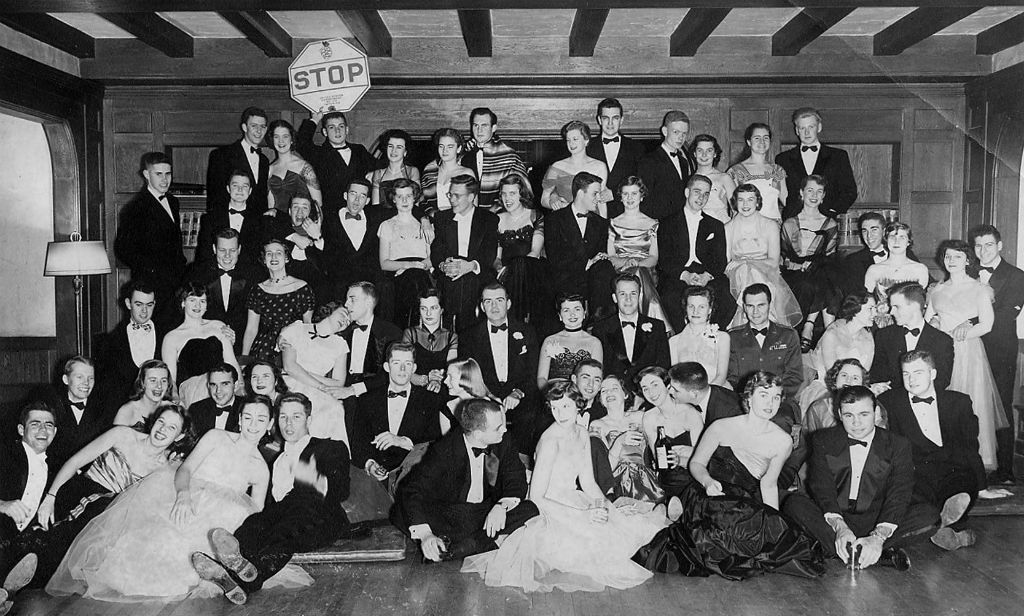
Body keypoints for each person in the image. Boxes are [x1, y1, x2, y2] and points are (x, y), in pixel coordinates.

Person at [47, 396, 298, 601]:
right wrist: (184, 495)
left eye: (261, 419)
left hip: (220, 518)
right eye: (248, 417)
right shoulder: (216, 437)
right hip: (186, 497)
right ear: (240, 419)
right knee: (158, 548)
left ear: (270, 424)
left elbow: (256, 513)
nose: (253, 424)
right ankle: (217, 571)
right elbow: (185, 469)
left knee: (235, 522)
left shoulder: (260, 469)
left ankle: (224, 568)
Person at [461, 384, 668, 592]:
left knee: (621, 525)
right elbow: (536, 497)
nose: (560, 414)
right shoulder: (550, 440)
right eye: (555, 408)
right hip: (550, 507)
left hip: (574, 497)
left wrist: (606, 506)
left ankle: (654, 549)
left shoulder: (582, 433)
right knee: (595, 547)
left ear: (578, 405)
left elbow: (588, 482)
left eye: (566, 406)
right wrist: (582, 515)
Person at [0, 404, 189, 610]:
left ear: (179, 436)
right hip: (78, 494)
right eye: (161, 421)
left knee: (60, 557)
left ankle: (8, 590)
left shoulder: (166, 468)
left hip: (106, 518)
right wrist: (51, 496)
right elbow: (75, 461)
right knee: (46, 537)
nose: (162, 429)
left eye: (171, 428)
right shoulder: (123, 435)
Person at [639, 371, 824, 580]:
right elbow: (697, 464)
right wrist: (707, 481)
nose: (770, 403)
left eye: (775, 397)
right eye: (763, 395)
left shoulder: (783, 441)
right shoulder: (720, 426)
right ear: (749, 398)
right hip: (710, 493)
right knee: (715, 534)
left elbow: (769, 485)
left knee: (783, 541)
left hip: (746, 499)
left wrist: (773, 522)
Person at [193, 393, 354, 605]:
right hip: (287, 518)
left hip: (323, 519)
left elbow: (340, 491)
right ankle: (231, 576)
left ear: (309, 420)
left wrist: (307, 475)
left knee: (286, 526)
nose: (288, 423)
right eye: (283, 417)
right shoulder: (276, 462)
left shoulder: (329, 448)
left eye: (296, 417)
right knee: (253, 524)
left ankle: (242, 579)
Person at [784, 386, 918, 570]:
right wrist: (840, 527)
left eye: (864, 414)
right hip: (836, 516)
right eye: (849, 415)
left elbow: (899, 493)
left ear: (875, 413)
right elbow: (822, 488)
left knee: (928, 515)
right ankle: (878, 556)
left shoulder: (898, 444)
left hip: (876, 517)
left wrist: (878, 536)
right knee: (794, 504)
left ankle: (845, 550)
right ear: (839, 414)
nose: (856, 422)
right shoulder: (823, 439)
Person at [395, 398, 538, 562]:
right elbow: (412, 490)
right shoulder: (443, 450)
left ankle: (453, 550)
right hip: (451, 513)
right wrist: (426, 535)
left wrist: (501, 506)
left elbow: (516, 479)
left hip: (484, 511)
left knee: (530, 509)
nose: (504, 429)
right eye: (498, 428)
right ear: (477, 434)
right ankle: (480, 543)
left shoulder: (504, 440)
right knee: (406, 513)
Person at [879, 351, 985, 552]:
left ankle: (942, 519)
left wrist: (982, 486)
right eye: (906, 374)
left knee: (964, 485)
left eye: (918, 373)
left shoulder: (959, 402)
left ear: (933, 374)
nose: (911, 380)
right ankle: (948, 528)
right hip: (916, 471)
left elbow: (970, 446)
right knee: (916, 496)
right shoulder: (889, 401)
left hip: (952, 468)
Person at [926, 239, 1007, 470]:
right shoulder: (937, 290)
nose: (951, 261)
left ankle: (975, 462)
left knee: (971, 403)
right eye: (948, 256)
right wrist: (934, 321)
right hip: (941, 352)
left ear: (968, 260)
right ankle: (949, 461)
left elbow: (987, 325)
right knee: (945, 405)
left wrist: (962, 333)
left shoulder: (979, 289)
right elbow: (927, 321)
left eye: (957, 256)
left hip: (968, 351)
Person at [348, 343, 445, 490]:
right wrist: (370, 464)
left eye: (408, 364)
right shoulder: (367, 400)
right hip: (373, 480)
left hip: (414, 478)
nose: (402, 369)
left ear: (414, 368)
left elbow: (434, 445)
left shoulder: (429, 400)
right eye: (396, 363)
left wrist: (401, 441)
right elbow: (358, 442)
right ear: (387, 367)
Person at [970, 224, 1024, 484]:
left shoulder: (1016, 276)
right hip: (969, 349)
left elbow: (1005, 315)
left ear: (1000, 246)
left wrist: (968, 323)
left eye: (989, 245)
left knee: (1001, 405)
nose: (983, 251)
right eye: (978, 246)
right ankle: (972, 465)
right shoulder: (965, 272)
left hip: (1000, 350)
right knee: (968, 403)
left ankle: (1005, 471)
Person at [458, 283, 540, 453]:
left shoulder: (527, 331)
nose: (494, 306)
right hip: (485, 397)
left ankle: (520, 460)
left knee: (531, 415)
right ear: (482, 306)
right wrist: (488, 396)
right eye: (488, 301)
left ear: (508, 304)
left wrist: (518, 392)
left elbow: (533, 371)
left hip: (519, 396)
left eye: (499, 300)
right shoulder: (469, 336)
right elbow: (468, 376)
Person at [113, 152, 187, 331]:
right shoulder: (135, 208)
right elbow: (122, 249)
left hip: (175, 284)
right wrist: (151, 271)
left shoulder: (173, 202)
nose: (165, 179)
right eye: (158, 174)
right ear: (146, 174)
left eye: (168, 174)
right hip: (150, 286)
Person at [657, 174, 734, 332]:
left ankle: (712, 334)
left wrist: (707, 276)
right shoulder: (667, 223)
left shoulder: (716, 225)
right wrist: (684, 275)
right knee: (670, 296)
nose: (701, 198)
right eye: (697, 192)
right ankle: (684, 336)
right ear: (687, 192)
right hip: (678, 273)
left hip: (706, 272)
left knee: (726, 297)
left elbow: (720, 260)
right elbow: (664, 259)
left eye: (706, 194)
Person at [724, 183, 801, 328]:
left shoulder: (770, 225)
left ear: (758, 202)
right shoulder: (728, 228)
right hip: (737, 275)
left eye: (750, 199)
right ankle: (760, 321)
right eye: (741, 200)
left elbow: (773, 262)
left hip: (767, 271)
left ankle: (759, 322)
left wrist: (747, 261)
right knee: (747, 272)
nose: (745, 205)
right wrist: (743, 265)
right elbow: (728, 262)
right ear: (735, 202)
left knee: (753, 273)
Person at [781, 175, 844, 351]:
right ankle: (829, 331)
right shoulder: (789, 223)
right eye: (810, 190)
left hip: (822, 269)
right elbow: (784, 258)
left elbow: (830, 255)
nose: (814, 195)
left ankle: (809, 325)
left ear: (823, 196)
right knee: (812, 282)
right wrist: (799, 266)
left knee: (824, 271)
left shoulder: (830, 223)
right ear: (801, 193)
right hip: (795, 272)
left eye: (819, 191)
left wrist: (814, 265)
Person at [543, 172, 616, 321]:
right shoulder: (554, 219)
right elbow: (554, 257)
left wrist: (600, 258)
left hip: (593, 281)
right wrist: (587, 263)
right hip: (565, 277)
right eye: (595, 193)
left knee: (605, 268)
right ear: (581, 193)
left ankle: (599, 323)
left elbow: (600, 254)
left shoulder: (601, 223)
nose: (599, 198)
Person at [277, 302, 352, 445]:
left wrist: (305, 373)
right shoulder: (297, 328)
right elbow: (289, 367)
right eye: (343, 314)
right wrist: (320, 384)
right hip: (290, 383)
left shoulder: (340, 344)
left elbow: (339, 382)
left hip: (317, 388)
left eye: (348, 321)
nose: (345, 321)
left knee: (335, 408)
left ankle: (325, 455)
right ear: (329, 310)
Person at [431, 174, 499, 329]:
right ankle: (454, 334)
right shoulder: (442, 218)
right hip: (448, 273)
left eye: (457, 196)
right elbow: (437, 250)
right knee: (455, 282)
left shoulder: (488, 219)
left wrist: (470, 266)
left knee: (466, 281)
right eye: (450, 194)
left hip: (477, 273)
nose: (452, 200)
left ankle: (458, 333)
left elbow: (489, 253)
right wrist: (443, 265)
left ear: (471, 197)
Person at [161, 282, 240, 407]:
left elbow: (231, 362)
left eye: (202, 301)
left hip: (223, 383)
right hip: (194, 390)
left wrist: (241, 388)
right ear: (183, 303)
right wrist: (175, 399)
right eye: (192, 300)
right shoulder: (172, 337)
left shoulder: (218, 326)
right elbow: (171, 380)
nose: (197, 306)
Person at [798, 293, 877, 415]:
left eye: (875, 308)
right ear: (855, 310)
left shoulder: (868, 337)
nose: (875, 313)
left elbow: (863, 374)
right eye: (870, 309)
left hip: (853, 389)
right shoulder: (833, 333)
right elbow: (832, 378)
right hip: (828, 389)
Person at [185, 228, 262, 355]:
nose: (227, 255)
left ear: (239, 249)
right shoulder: (196, 273)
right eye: (222, 250)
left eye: (232, 250)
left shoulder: (254, 274)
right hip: (205, 344)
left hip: (244, 346)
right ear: (214, 249)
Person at [606, 176, 671, 326]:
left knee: (639, 272)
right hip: (621, 270)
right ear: (620, 197)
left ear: (642, 196)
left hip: (646, 270)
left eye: (634, 193)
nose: (630, 198)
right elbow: (611, 256)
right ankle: (656, 320)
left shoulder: (652, 224)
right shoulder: (612, 223)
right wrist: (627, 262)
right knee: (635, 274)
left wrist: (637, 264)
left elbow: (654, 257)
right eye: (625, 194)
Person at [776, 107, 858, 220]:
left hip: (827, 221)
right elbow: (780, 192)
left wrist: (832, 211)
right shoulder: (783, 159)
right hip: (794, 221)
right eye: (802, 128)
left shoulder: (838, 156)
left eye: (811, 127)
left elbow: (850, 191)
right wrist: (792, 212)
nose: (807, 132)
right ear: (797, 130)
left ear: (819, 127)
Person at [637, 366, 707, 498]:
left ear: (668, 386)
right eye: (645, 388)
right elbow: (659, 460)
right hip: (666, 481)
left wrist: (680, 460)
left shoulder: (690, 413)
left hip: (694, 478)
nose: (651, 392)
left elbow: (703, 458)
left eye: (655, 385)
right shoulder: (649, 418)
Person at [241, 238, 316, 361]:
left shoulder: (302, 288)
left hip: (293, 348)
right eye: (269, 254)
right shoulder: (258, 290)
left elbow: (308, 325)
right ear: (264, 260)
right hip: (263, 350)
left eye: (279, 253)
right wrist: (244, 360)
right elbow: (251, 329)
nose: (274, 257)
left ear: (286, 258)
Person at [94, 281, 163, 411]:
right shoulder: (111, 341)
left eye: (149, 305)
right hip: (124, 410)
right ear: (128, 304)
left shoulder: (166, 335)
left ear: (154, 304)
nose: (144, 311)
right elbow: (105, 389)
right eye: (139, 304)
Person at [590, 375, 661, 502]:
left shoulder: (640, 417)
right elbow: (602, 469)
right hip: (615, 482)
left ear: (625, 394)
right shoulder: (597, 425)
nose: (609, 392)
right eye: (604, 390)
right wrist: (619, 442)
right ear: (600, 399)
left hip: (646, 480)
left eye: (614, 388)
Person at [871, 282, 953, 392]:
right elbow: (878, 376)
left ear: (914, 306)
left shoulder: (942, 341)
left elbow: (942, 381)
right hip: (892, 399)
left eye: (896, 307)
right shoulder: (884, 336)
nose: (891, 312)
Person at [727, 284, 804, 400]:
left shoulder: (788, 336)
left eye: (761, 305)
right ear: (744, 307)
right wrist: (749, 399)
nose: (755, 312)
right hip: (745, 401)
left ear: (770, 305)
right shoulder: (733, 337)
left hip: (780, 401)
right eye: (750, 306)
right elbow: (732, 378)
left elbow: (794, 377)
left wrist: (773, 397)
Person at [591, 274, 670, 384]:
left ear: (639, 296)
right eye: (622, 294)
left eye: (633, 293)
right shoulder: (601, 329)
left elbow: (663, 367)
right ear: (614, 298)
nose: (628, 299)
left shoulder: (657, 327)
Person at [377, 178, 434, 326]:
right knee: (411, 281)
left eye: (408, 196)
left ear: (414, 198)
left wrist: (415, 266)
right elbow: (384, 263)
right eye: (399, 196)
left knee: (416, 278)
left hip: (421, 272)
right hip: (397, 273)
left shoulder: (425, 225)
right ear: (394, 199)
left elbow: (431, 258)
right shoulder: (387, 225)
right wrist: (407, 265)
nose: (404, 200)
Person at [295, 111, 374, 217]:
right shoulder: (319, 153)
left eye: (341, 126)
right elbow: (301, 143)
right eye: (332, 127)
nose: (337, 131)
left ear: (346, 129)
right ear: (325, 132)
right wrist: (315, 119)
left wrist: (374, 173)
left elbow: (379, 165)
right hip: (331, 215)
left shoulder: (359, 150)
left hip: (360, 212)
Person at [494, 175, 546, 324]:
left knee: (520, 264)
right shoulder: (497, 219)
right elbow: (497, 257)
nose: (507, 199)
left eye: (512, 193)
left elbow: (535, 252)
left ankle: (519, 322)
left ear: (522, 194)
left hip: (532, 269)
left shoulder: (535, 215)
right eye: (504, 194)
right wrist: (500, 269)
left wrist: (516, 269)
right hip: (506, 273)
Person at [321, 178, 383, 303]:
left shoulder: (375, 218)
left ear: (367, 201)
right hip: (339, 282)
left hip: (368, 280)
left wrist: (423, 218)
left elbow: (404, 208)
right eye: (353, 194)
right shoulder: (329, 219)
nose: (357, 200)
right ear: (345, 195)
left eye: (362, 196)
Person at [338, 282, 403, 400]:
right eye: (347, 300)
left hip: (374, 393)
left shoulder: (391, 332)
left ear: (368, 302)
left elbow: (391, 373)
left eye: (352, 299)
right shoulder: (342, 331)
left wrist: (355, 389)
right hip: (344, 390)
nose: (346, 304)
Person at [194, 170, 267, 268]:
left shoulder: (260, 219)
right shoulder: (210, 218)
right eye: (235, 185)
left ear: (250, 191)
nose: (240, 190)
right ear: (228, 189)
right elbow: (203, 253)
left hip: (249, 273)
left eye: (245, 186)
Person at [459, 107, 528, 209]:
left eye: (484, 125)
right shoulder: (464, 154)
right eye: (476, 125)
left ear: (494, 128)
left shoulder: (508, 156)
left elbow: (524, 192)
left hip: (500, 213)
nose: (479, 130)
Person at [586, 98, 644, 218]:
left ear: (621, 120)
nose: (610, 123)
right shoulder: (587, 147)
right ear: (599, 120)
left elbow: (642, 183)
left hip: (626, 215)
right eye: (605, 118)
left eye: (615, 118)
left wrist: (614, 194)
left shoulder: (636, 148)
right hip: (593, 216)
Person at [41, 358, 103, 471]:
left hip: (92, 476)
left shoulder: (103, 409)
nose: (86, 383)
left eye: (90, 378)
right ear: (66, 379)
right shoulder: (51, 407)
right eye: (79, 377)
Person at [206, 107, 269, 215]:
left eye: (262, 126)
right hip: (228, 219)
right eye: (254, 126)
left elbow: (261, 197)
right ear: (244, 127)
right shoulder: (221, 155)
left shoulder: (264, 160)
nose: (259, 131)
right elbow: (214, 195)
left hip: (255, 221)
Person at [263, 194, 328, 297]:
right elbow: (265, 221)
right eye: (295, 207)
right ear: (290, 211)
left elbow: (325, 270)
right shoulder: (281, 231)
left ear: (311, 213)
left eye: (305, 208)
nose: (299, 212)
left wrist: (317, 238)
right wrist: (293, 236)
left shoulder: (323, 236)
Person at [864, 221, 929, 323]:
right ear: (886, 240)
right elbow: (866, 301)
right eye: (892, 237)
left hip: (910, 322)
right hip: (882, 323)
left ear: (908, 242)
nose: (896, 242)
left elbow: (921, 302)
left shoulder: (920, 269)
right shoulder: (874, 270)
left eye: (902, 237)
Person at [541, 120, 611, 214]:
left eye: (575, 139)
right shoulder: (557, 166)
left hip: (591, 219)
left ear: (586, 140)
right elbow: (544, 199)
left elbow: (601, 202)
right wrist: (553, 203)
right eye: (568, 140)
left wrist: (604, 222)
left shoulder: (599, 166)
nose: (571, 143)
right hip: (564, 218)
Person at [537, 293, 604, 390]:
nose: (572, 314)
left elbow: (596, 377)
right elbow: (541, 378)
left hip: (583, 395)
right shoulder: (550, 341)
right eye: (566, 310)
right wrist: (551, 395)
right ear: (560, 315)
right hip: (555, 394)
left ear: (584, 313)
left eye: (577, 309)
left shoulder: (595, 343)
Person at [637, 110, 696, 220]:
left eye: (684, 133)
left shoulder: (683, 162)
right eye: (676, 132)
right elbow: (644, 199)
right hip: (658, 223)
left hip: (678, 222)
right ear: (664, 131)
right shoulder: (649, 160)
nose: (680, 138)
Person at [669, 286, 731, 388]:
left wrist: (704, 395)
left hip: (716, 391)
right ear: (686, 308)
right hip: (685, 394)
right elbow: (675, 378)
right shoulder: (674, 341)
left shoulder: (722, 338)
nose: (695, 311)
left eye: (701, 307)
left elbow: (721, 376)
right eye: (691, 306)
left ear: (710, 309)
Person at [726, 123, 788, 222]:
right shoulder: (735, 171)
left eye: (766, 138)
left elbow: (786, 200)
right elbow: (734, 208)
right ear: (749, 142)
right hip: (746, 225)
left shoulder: (777, 170)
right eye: (757, 138)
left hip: (774, 225)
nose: (762, 141)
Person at [402, 289, 459, 393]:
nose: (428, 313)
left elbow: (452, 370)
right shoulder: (410, 334)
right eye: (423, 308)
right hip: (415, 388)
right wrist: (426, 379)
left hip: (443, 387)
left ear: (441, 310)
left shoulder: (451, 337)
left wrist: (437, 379)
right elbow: (403, 369)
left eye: (433, 308)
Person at [266, 119, 322, 216]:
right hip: (279, 222)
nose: (281, 141)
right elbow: (271, 205)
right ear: (272, 139)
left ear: (291, 139)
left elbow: (318, 203)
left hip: (302, 220)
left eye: (285, 136)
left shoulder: (304, 167)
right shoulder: (270, 169)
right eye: (276, 137)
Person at [803, 358, 872, 435]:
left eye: (855, 378)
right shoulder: (818, 408)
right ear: (835, 379)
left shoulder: (871, 406)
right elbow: (809, 439)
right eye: (844, 375)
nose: (848, 380)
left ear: (862, 384)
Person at [421, 127, 476, 215]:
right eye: (441, 146)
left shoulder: (466, 173)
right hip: (433, 219)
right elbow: (423, 201)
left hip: (459, 219)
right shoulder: (429, 171)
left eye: (450, 146)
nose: (444, 150)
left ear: (458, 148)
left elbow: (473, 206)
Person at [366, 129, 421, 208]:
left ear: (405, 152)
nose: (393, 151)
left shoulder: (412, 171)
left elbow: (416, 203)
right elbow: (375, 206)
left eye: (399, 147)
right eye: (390, 146)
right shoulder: (378, 173)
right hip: (382, 215)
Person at [112, 360, 174, 429]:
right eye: (153, 380)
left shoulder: (172, 409)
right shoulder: (127, 411)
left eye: (164, 381)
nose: (159, 386)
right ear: (142, 383)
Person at [442, 359, 497, 435]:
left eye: (451, 377)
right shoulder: (447, 408)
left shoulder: (493, 405)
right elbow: (447, 441)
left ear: (466, 379)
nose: (445, 381)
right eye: (446, 376)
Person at [689, 134, 735, 223]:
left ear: (715, 154)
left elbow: (736, 210)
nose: (704, 155)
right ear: (694, 153)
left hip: (720, 226)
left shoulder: (724, 178)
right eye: (700, 150)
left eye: (709, 150)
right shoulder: (689, 179)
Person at [188, 364, 243, 436]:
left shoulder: (246, 408)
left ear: (235, 385)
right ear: (208, 386)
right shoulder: (196, 409)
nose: (218, 391)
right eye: (213, 385)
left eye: (224, 384)